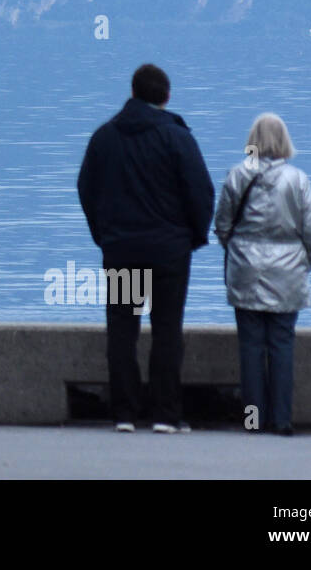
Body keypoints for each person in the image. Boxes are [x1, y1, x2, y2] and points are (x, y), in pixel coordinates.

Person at [77, 64, 215, 433]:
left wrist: (104, 235)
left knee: (122, 329)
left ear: (133, 93)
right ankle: (165, 415)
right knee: (167, 329)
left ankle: (123, 413)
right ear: (166, 96)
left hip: (122, 252)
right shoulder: (177, 138)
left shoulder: (104, 137)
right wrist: (193, 237)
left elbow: (86, 190)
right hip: (170, 253)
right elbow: (201, 192)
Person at [215, 114, 311, 436]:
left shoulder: (237, 175)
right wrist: (303, 263)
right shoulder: (297, 179)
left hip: (246, 268)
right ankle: (282, 419)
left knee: (250, 347)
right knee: (281, 345)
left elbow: (221, 226)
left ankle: (252, 420)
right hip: (287, 270)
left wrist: (238, 253)